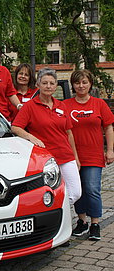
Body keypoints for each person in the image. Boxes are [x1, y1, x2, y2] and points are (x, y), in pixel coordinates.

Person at [11, 68, 81, 205]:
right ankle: (54, 219)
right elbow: (15, 127)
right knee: (49, 192)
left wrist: (75, 157)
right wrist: (32, 138)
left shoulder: (61, 106)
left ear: (56, 86)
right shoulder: (29, 106)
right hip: (45, 159)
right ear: (38, 85)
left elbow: (69, 133)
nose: (48, 86)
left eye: (51, 83)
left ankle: (56, 211)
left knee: (75, 193)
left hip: (66, 156)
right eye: (44, 83)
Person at [64, 69, 114, 240]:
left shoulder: (99, 104)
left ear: (90, 83)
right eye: (77, 82)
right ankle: (82, 221)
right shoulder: (65, 105)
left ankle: (95, 223)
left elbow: (108, 127)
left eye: (84, 82)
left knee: (92, 189)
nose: (81, 85)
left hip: (93, 154)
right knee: (78, 191)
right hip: (72, 156)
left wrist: (110, 150)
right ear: (73, 85)